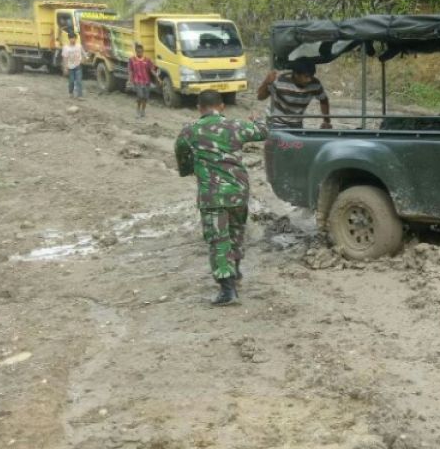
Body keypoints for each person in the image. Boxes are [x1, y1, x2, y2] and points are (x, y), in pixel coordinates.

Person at [174, 90, 269, 306]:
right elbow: (264, 132)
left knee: (218, 240)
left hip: (212, 195)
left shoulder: (190, 131)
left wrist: (188, 169)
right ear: (222, 106)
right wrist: (258, 119)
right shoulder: (236, 126)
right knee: (236, 232)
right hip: (238, 191)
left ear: (199, 108)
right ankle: (235, 272)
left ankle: (228, 290)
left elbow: (181, 152)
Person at [256, 62, 332, 129]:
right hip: (277, 122)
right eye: (306, 76)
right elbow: (260, 97)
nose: (309, 80)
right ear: (296, 74)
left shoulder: (315, 84)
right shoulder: (280, 81)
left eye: (311, 76)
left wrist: (326, 121)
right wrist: (266, 82)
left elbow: (323, 99)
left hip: (296, 123)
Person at [128, 42, 156, 119]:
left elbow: (152, 70)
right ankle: (138, 109)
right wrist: (130, 80)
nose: (139, 53)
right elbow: (130, 71)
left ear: (143, 51)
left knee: (145, 98)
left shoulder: (147, 60)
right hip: (137, 81)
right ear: (136, 51)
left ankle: (143, 111)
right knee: (140, 96)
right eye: (138, 51)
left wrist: (158, 79)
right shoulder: (132, 60)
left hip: (147, 81)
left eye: (141, 51)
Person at [62, 31, 84, 99]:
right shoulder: (66, 48)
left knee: (79, 81)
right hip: (70, 67)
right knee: (71, 81)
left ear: (76, 39)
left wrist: (83, 59)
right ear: (69, 39)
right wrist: (65, 68)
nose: (73, 40)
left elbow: (83, 53)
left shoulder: (79, 46)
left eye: (74, 38)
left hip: (78, 66)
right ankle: (71, 93)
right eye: (71, 38)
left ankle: (80, 95)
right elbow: (65, 58)